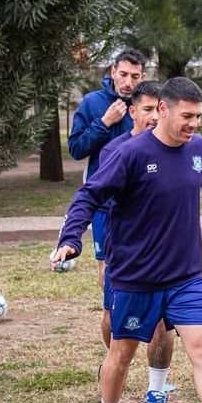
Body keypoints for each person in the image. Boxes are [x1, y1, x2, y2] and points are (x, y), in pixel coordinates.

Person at [52, 77, 202, 403]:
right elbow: (89, 195)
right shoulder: (128, 154)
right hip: (136, 278)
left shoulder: (199, 149)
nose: (194, 123)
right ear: (163, 110)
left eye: (198, 116)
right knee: (122, 353)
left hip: (186, 276)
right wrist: (71, 238)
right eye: (187, 115)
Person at [95, 80, 176, 403]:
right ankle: (116, 366)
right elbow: (97, 203)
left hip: (166, 260)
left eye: (160, 110)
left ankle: (157, 390)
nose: (155, 118)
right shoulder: (115, 153)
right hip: (124, 259)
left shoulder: (175, 151)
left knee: (162, 327)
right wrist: (101, 254)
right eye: (147, 110)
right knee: (113, 324)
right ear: (132, 112)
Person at [69, 48, 147, 304]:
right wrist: (104, 122)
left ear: (142, 76)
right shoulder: (93, 103)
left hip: (139, 202)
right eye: (123, 74)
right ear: (113, 72)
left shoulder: (146, 106)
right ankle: (112, 312)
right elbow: (76, 149)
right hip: (104, 205)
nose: (128, 82)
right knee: (107, 269)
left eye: (135, 76)